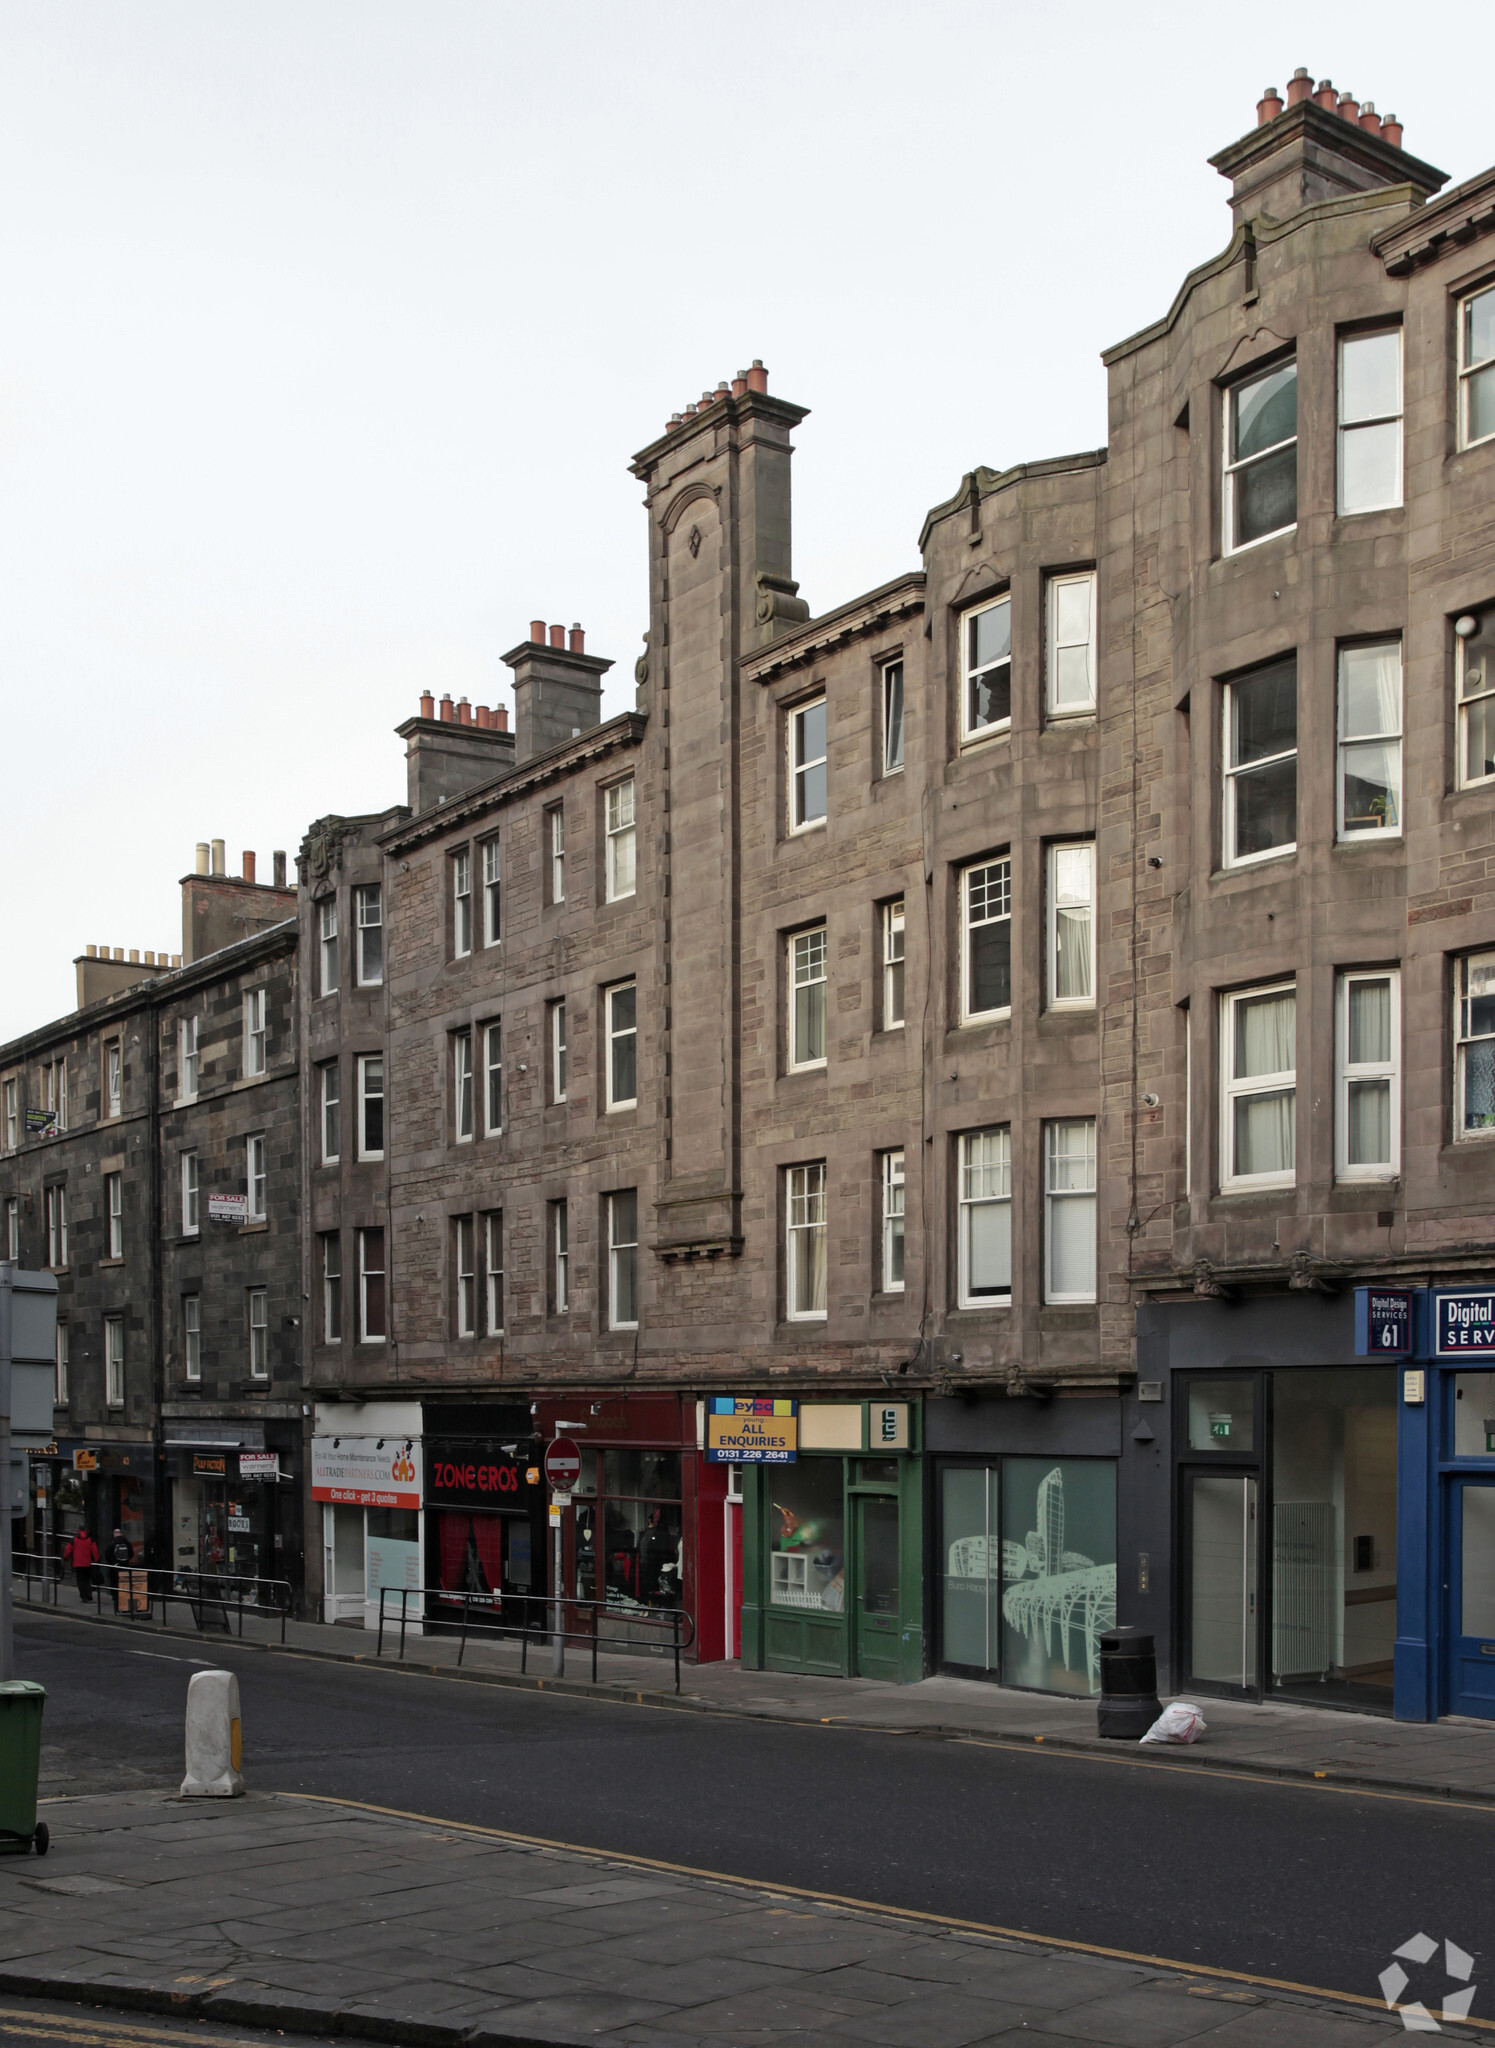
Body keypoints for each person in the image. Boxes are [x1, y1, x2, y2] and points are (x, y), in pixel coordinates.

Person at [66, 1525, 100, 1602]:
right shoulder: (90, 1539)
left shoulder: (74, 1539)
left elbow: (68, 1549)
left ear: (78, 1529)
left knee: (80, 1580)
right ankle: (88, 1594)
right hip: (88, 1563)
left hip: (77, 1563)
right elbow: (95, 1551)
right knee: (87, 1579)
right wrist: (97, 1560)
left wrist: (65, 1557)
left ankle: (83, 1596)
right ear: (86, 1530)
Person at [105, 1526, 134, 1604]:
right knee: (124, 1581)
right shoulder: (127, 1543)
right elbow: (131, 1553)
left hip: (115, 1566)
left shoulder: (112, 1544)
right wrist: (126, 1561)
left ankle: (115, 1596)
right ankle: (124, 1594)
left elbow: (107, 1555)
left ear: (114, 1534)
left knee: (114, 1581)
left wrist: (113, 1562)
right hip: (125, 1565)